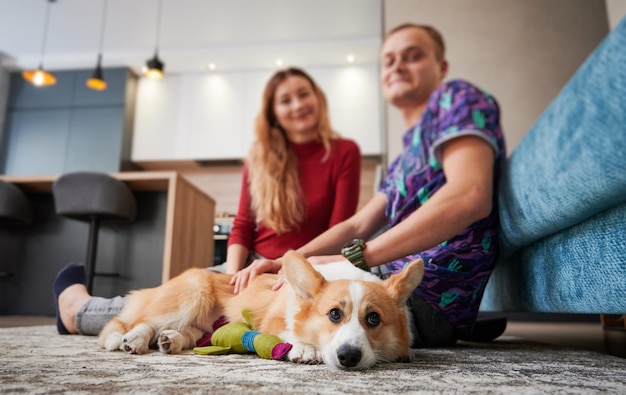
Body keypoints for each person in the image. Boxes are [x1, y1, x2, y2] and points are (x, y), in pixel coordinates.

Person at [230, 23, 508, 347]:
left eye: (413, 56)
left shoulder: (457, 97)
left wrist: (353, 260)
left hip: (423, 296)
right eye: (388, 61)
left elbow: (470, 195)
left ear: (441, 67)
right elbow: (359, 224)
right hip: (382, 281)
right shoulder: (406, 156)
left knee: (297, 298)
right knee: (262, 284)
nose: (397, 66)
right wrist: (287, 260)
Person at [53, 67, 362, 335]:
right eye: (285, 100)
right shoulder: (260, 157)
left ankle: (80, 311)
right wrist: (231, 274)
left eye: (303, 94)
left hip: (304, 272)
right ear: (274, 114)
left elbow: (340, 231)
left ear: (317, 97)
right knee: (178, 295)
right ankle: (80, 312)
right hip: (252, 265)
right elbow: (242, 225)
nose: (297, 105)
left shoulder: (344, 152)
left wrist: (294, 269)